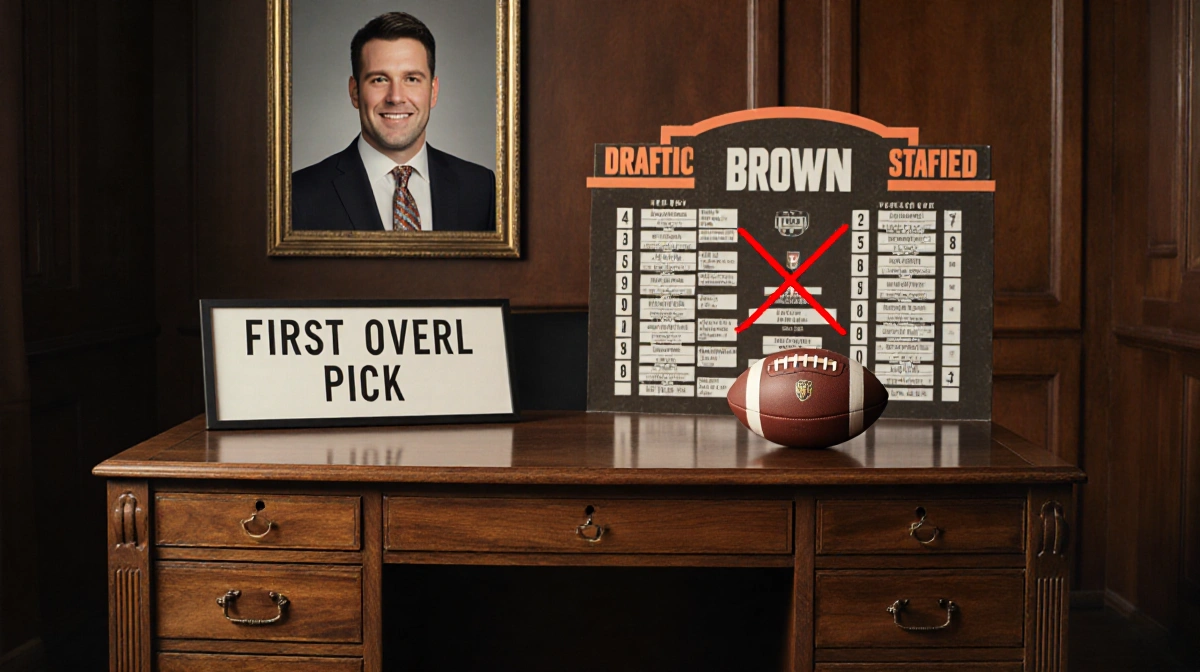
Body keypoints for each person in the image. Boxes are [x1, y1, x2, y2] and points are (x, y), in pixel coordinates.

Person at [292, 12, 496, 232]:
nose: (396, 97)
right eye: (379, 79)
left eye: (411, 79)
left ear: (433, 91)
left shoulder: (480, 189)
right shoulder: (298, 195)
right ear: (354, 92)